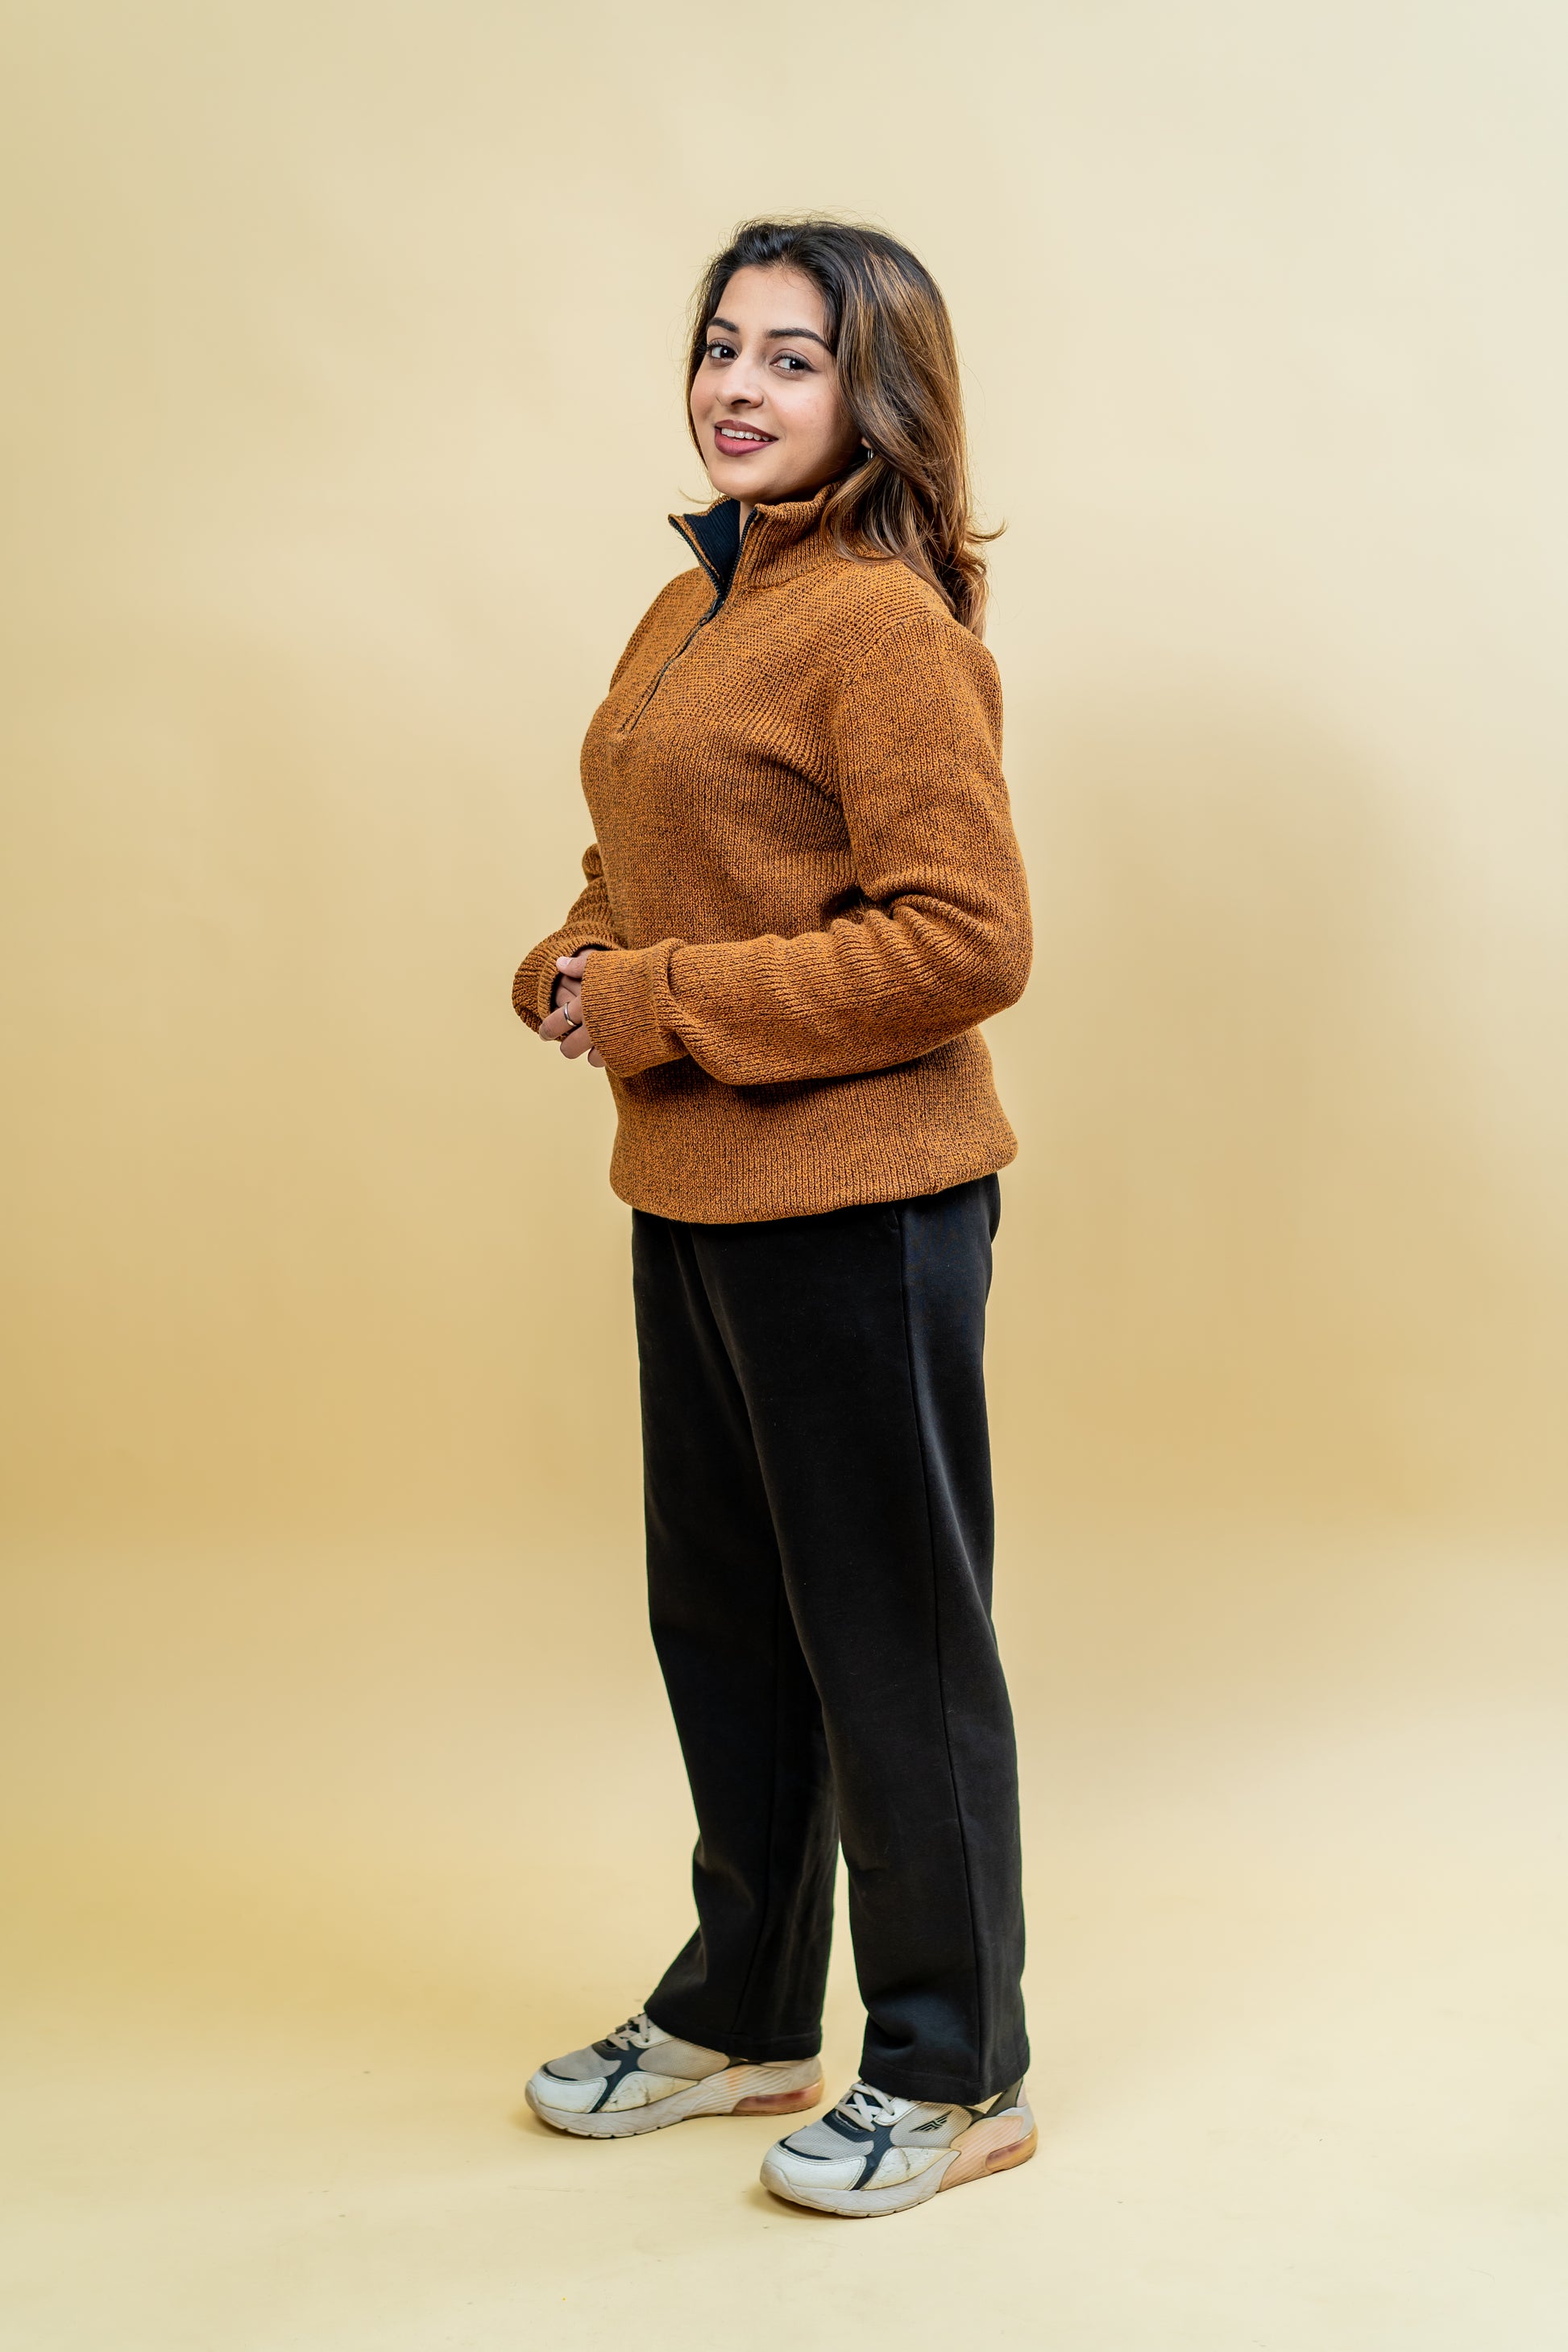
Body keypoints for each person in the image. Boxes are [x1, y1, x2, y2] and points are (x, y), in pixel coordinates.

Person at [512, 218, 1035, 2219]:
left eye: (790, 358)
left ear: (871, 395)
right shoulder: (694, 600)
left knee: (888, 1640)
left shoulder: (884, 626)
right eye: (719, 345)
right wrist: (575, 956)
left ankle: (954, 2065)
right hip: (696, 1184)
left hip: (866, 1210)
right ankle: (741, 2014)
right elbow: (639, 856)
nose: (734, 384)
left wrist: (653, 1000)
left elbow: (966, 938)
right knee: (725, 1625)